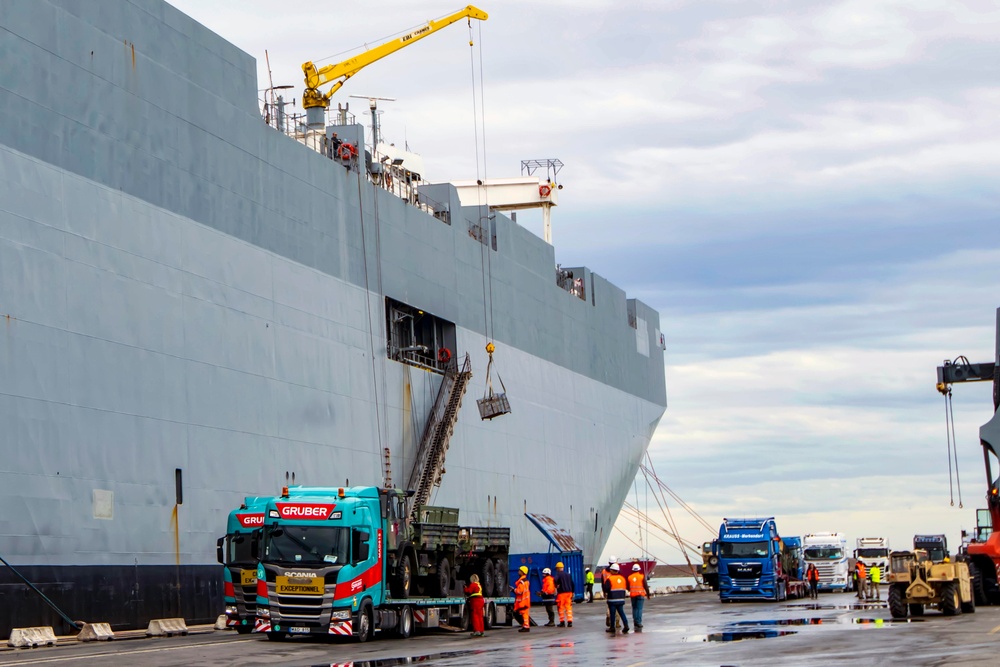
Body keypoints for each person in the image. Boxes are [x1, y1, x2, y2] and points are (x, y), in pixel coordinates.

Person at [603, 563, 629, 635]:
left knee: (612, 614)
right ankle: (626, 625)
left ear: (613, 570)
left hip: (612, 599)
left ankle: (612, 627)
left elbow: (606, 588)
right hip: (621, 599)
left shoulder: (610, 579)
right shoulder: (622, 578)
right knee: (622, 613)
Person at [627, 564, 650, 630]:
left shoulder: (629, 577)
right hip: (640, 594)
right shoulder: (642, 577)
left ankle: (635, 621)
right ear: (639, 569)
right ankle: (639, 622)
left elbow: (628, 587)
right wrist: (648, 595)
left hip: (633, 595)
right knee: (639, 609)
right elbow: (646, 587)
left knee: (634, 609)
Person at [555, 561, 574, 628]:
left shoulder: (558, 574)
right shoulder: (568, 575)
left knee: (561, 608)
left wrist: (556, 585)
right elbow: (572, 584)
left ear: (558, 568)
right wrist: (573, 592)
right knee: (568, 608)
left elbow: (555, 580)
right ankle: (570, 622)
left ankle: (562, 622)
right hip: (569, 593)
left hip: (561, 593)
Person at [514, 565, 531, 632]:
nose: (518, 572)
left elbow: (519, 591)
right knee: (525, 614)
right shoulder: (526, 581)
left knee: (524, 614)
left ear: (522, 572)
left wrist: (514, 590)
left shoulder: (522, 582)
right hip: (526, 600)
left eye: (519, 571)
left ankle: (526, 626)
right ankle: (526, 625)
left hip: (522, 601)